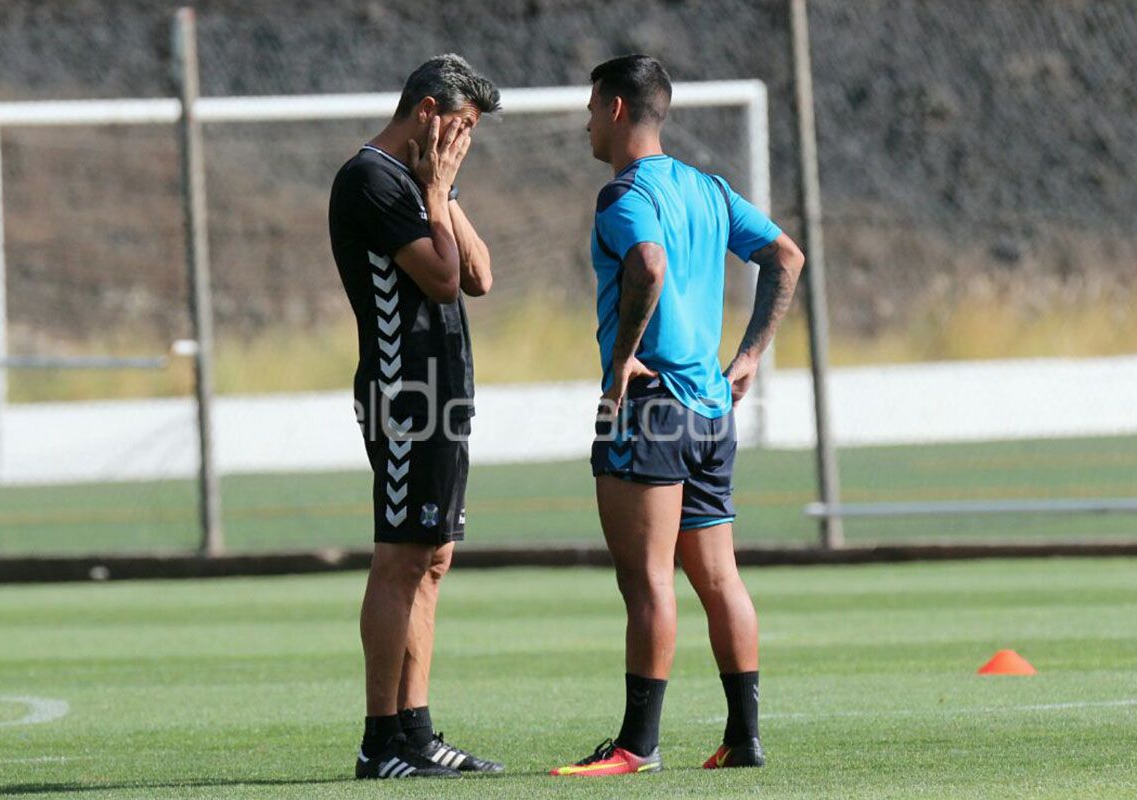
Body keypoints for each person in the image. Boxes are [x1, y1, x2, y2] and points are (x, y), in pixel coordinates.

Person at [550, 54, 806, 777]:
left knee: (647, 581)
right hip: (712, 412)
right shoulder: (708, 188)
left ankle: (638, 746)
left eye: (593, 108)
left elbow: (650, 265)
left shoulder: (623, 195)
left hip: (651, 408)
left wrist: (623, 357)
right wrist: (752, 352)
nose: (587, 123)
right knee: (718, 578)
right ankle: (744, 739)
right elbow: (786, 255)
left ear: (619, 109)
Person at [328, 54, 504, 780]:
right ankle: (380, 741)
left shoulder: (425, 186)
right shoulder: (369, 179)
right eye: (460, 127)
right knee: (400, 557)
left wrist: (444, 189)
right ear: (427, 112)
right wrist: (434, 189)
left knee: (432, 559)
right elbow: (437, 277)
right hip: (404, 397)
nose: (464, 141)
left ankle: (417, 730)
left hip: (443, 395)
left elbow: (480, 275)